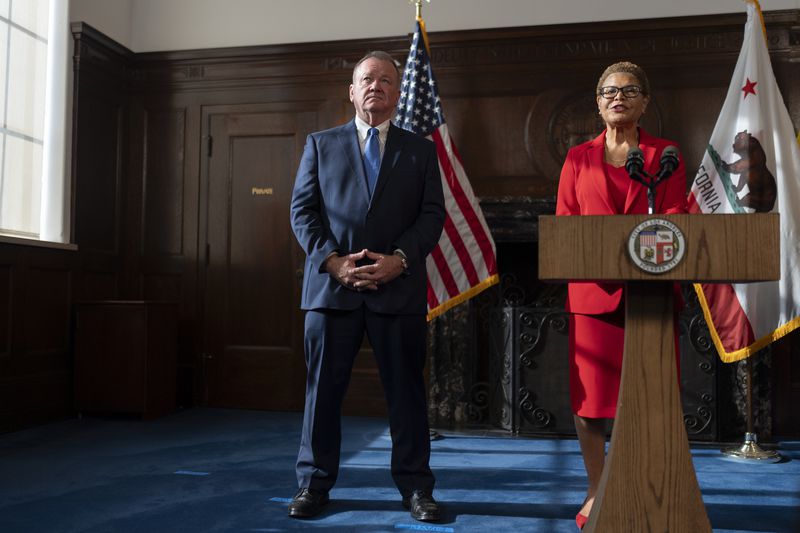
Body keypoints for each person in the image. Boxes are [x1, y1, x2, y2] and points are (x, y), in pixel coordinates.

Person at [288, 51, 446, 522]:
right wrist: (332, 262)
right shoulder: (321, 143)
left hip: (396, 290)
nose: (375, 86)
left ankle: (417, 488)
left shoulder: (420, 150)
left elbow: (432, 215)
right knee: (322, 395)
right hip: (332, 292)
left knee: (407, 395)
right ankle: (314, 485)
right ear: (352, 91)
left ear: (398, 94)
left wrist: (400, 260)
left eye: (385, 81)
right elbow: (303, 212)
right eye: (366, 80)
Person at [555, 61, 688, 530]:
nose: (618, 97)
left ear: (645, 101)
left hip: (648, 297)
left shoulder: (665, 155)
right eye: (609, 91)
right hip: (593, 295)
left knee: (654, 403)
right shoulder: (577, 159)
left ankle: (650, 488)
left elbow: (674, 219)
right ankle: (597, 488)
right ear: (597, 102)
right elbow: (566, 227)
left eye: (629, 90)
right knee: (590, 404)